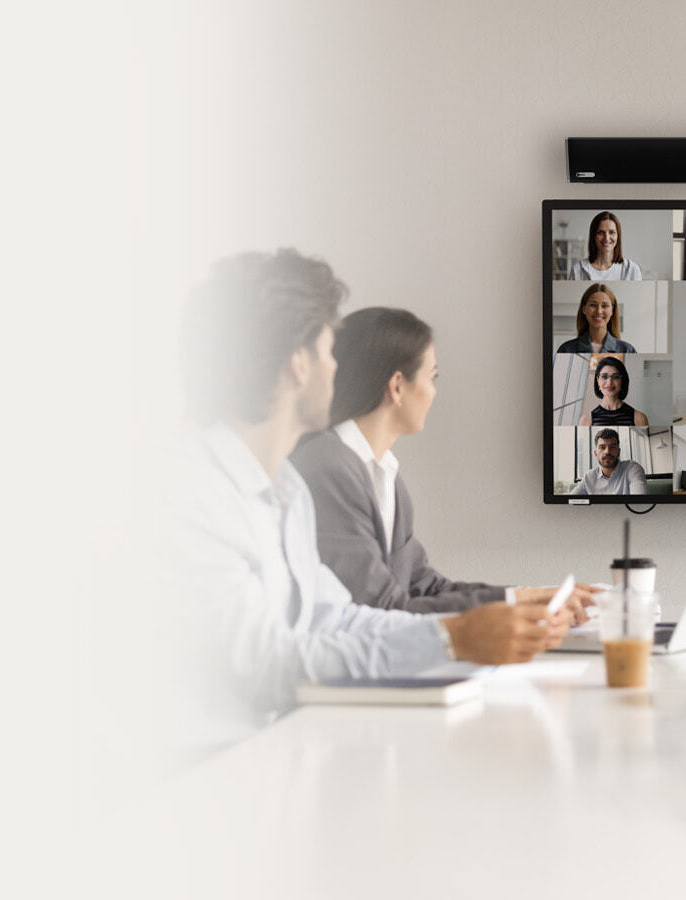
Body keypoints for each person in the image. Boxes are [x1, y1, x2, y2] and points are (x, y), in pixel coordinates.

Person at [173, 249, 571, 744]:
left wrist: (474, 629)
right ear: (298, 364)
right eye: (327, 351)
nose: (338, 369)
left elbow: (337, 617)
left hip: (273, 758)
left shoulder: (286, 493)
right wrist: (450, 639)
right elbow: (269, 665)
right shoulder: (189, 494)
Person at [291, 307, 594, 618]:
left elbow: (426, 586)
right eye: (432, 377)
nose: (434, 393)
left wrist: (526, 597)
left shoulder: (385, 474)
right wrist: (519, 604)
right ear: (397, 386)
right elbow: (382, 608)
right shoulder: (329, 469)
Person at [554, 283, 637, 354]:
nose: (599, 311)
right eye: (593, 305)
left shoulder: (627, 350)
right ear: (584, 309)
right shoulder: (566, 350)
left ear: (612, 310)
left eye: (604, 306)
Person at [568, 210, 643, 281]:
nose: (606, 238)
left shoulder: (632, 270)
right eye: (600, 232)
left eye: (612, 232)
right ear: (593, 236)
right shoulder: (577, 270)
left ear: (618, 236)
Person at [572, 428, 648, 495]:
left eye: (612, 447)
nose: (607, 451)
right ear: (596, 453)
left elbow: (641, 502)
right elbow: (569, 502)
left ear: (619, 451)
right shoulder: (588, 477)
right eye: (602, 447)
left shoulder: (633, 469)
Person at [577, 355, 648, 427]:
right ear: (598, 380)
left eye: (616, 377)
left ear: (622, 381)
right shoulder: (586, 420)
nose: (609, 382)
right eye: (604, 376)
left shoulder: (639, 418)